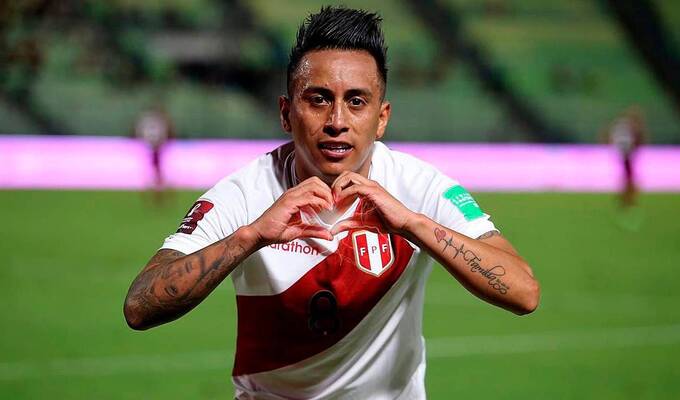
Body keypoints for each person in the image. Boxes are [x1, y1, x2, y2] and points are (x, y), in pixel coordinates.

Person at [124, 6, 540, 399]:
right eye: (318, 99)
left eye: (356, 101)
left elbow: (523, 291)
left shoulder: (420, 187)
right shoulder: (246, 192)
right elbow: (140, 305)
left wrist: (412, 224)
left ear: (381, 118)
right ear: (286, 113)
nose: (337, 121)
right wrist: (251, 237)